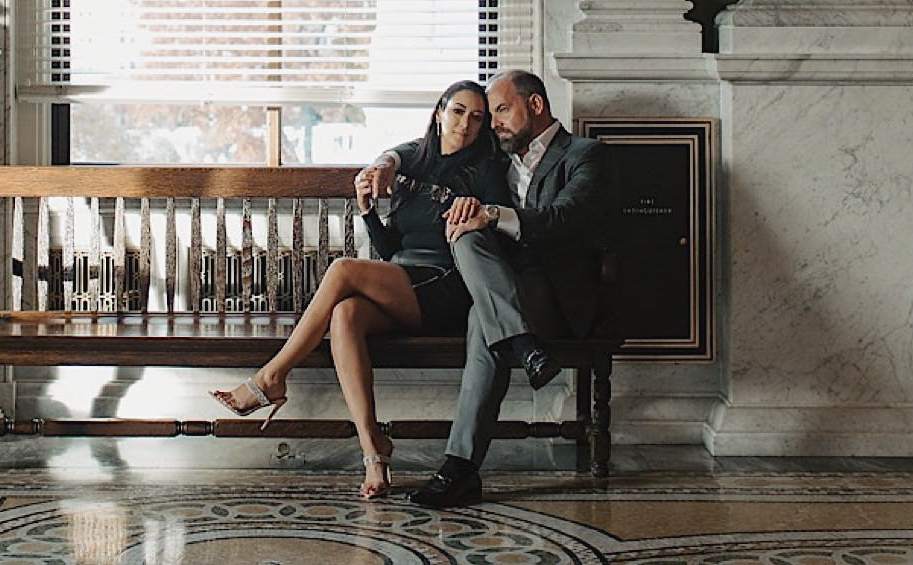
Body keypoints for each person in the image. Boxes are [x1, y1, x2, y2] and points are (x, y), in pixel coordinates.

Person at [209, 80, 510, 500]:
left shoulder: (487, 170)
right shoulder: (414, 159)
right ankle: (374, 450)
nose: (466, 124)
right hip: (403, 282)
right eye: (458, 111)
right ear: (440, 111)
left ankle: (271, 376)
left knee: (342, 270)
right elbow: (390, 248)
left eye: (477, 117)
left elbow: (497, 233)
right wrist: (368, 209)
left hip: (448, 285)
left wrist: (480, 213)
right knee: (345, 314)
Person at [356, 69, 618, 508]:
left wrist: (493, 214)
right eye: (488, 114)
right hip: (495, 283)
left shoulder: (585, 154)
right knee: (466, 231)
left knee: (484, 309)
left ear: (534, 106)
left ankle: (460, 466)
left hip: (551, 290)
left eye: (501, 110)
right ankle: (522, 345)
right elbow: (421, 149)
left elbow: (564, 219)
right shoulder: (493, 156)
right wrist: (386, 161)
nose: (492, 122)